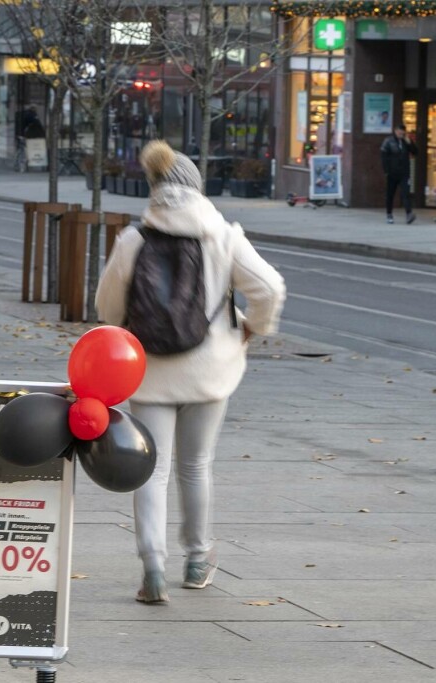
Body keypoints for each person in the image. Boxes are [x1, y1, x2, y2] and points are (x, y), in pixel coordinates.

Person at [96, 140, 285, 604]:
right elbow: (269, 288)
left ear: (154, 188)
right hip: (210, 371)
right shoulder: (223, 236)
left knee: (152, 471)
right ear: (197, 188)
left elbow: (106, 308)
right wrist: (251, 328)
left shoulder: (133, 240)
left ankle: (152, 567)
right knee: (196, 466)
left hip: (149, 373)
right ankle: (198, 558)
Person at [381, 124, 418, 225]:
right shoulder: (388, 141)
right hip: (392, 172)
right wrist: (386, 171)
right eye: (399, 131)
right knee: (390, 194)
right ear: (395, 131)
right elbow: (383, 157)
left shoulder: (405, 142)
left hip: (404, 172)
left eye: (403, 132)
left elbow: (415, 152)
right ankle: (389, 214)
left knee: (406, 193)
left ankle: (409, 214)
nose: (401, 133)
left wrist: (409, 142)